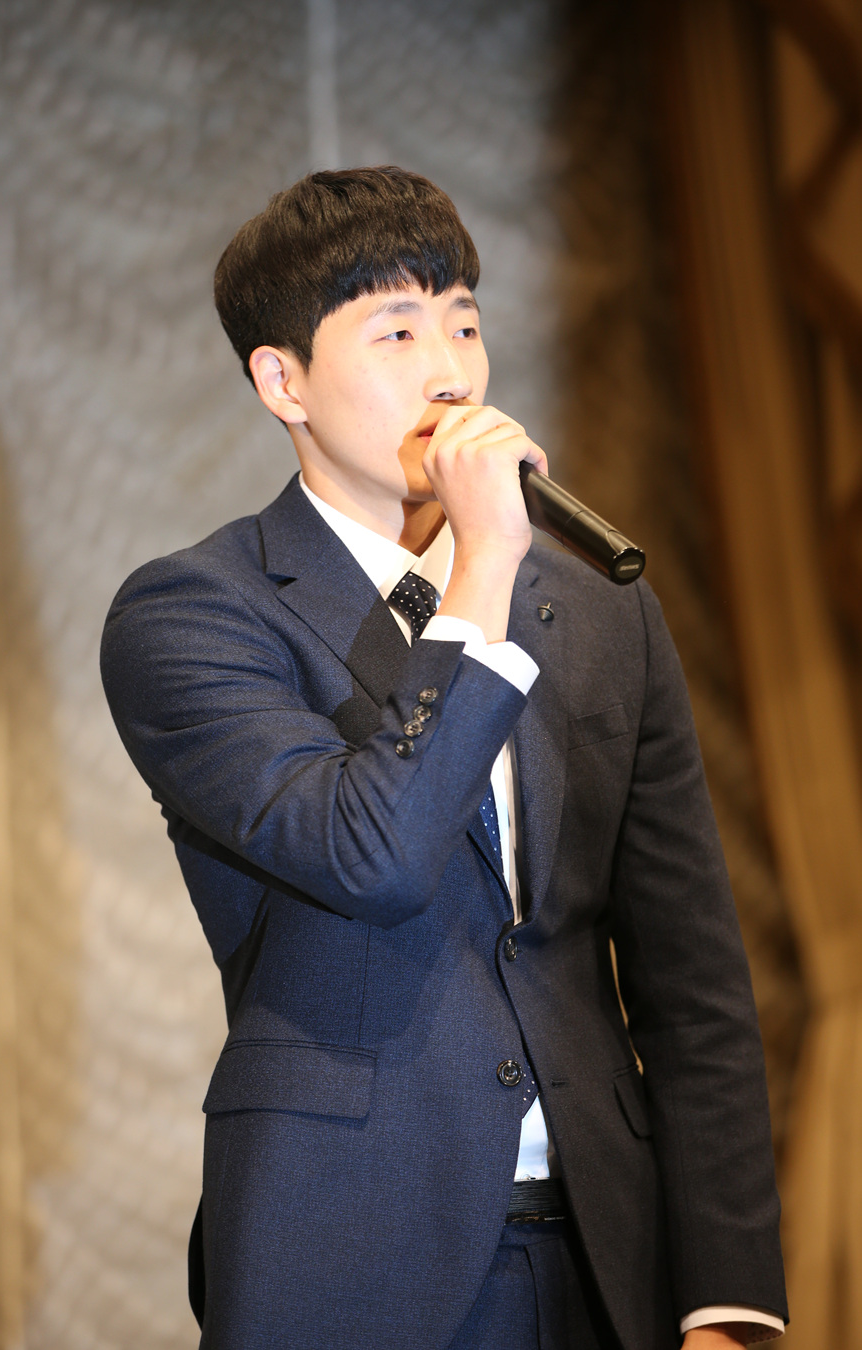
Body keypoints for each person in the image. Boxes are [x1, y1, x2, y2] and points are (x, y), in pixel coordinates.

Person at [100, 167, 788, 1349]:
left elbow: (694, 982)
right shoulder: (195, 616)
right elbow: (373, 852)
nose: (453, 373)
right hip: (347, 1258)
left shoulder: (601, 610)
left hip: (606, 1261)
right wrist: (483, 569)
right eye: (398, 331)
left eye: (464, 323)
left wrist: (726, 1302)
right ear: (282, 383)